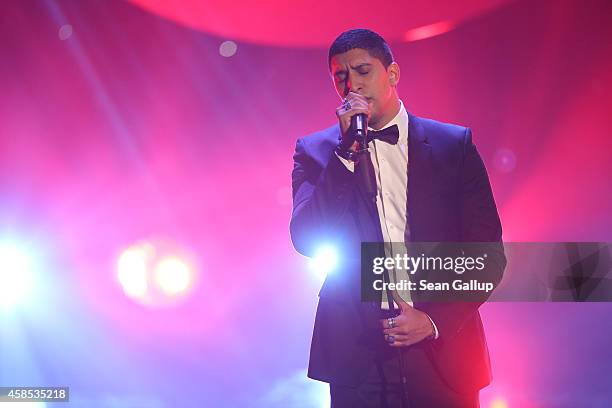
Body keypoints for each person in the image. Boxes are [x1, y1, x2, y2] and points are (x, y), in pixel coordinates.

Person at [290, 28, 506, 407]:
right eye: (340, 76)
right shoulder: (316, 152)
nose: (351, 85)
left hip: (444, 349)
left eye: (362, 71)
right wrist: (345, 155)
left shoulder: (452, 145)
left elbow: (486, 254)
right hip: (358, 353)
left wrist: (433, 319)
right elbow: (307, 238)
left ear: (392, 74)